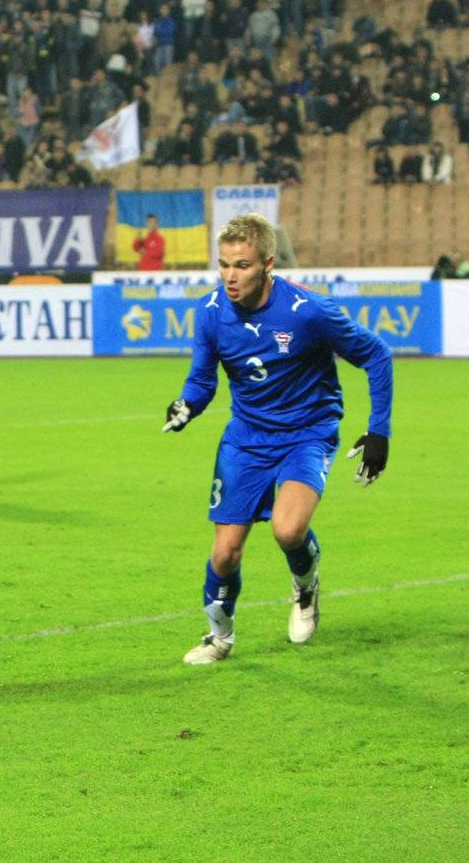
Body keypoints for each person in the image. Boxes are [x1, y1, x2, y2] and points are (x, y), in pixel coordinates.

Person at [165, 213, 393, 665]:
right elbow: (202, 379)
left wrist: (379, 430)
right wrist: (187, 405)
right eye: (225, 264)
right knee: (225, 553)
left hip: (307, 434)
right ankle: (219, 637)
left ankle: (305, 588)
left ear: (268, 263)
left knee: (289, 529)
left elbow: (376, 354)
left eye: (243, 265)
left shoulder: (308, 311)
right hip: (246, 439)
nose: (231, 276)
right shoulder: (211, 313)